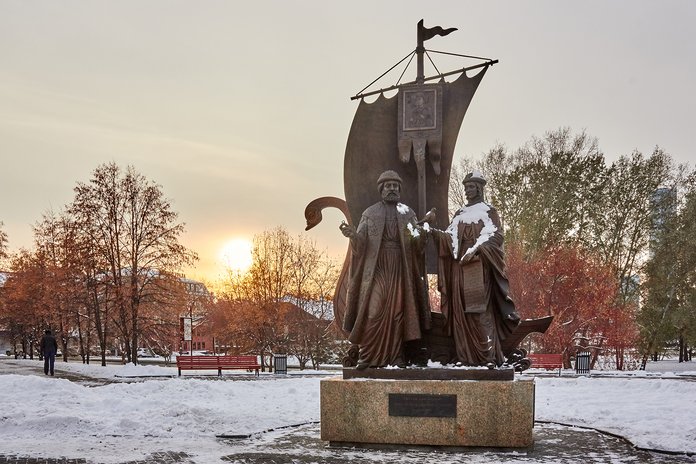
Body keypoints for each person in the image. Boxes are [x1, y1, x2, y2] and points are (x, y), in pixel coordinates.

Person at [340, 170, 430, 368]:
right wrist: (353, 235)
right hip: (377, 268)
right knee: (373, 310)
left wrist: (424, 231)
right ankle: (368, 355)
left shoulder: (408, 213)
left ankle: (396, 357)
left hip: (400, 268)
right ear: (381, 190)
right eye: (388, 186)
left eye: (395, 186)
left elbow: (417, 243)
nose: (392, 189)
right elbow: (361, 244)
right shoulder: (370, 213)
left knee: (398, 312)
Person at [431, 171, 520, 367]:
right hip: (459, 269)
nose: (467, 190)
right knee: (460, 312)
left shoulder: (488, 211)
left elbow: (496, 236)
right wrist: (432, 231)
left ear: (479, 188)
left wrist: (478, 249)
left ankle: (487, 356)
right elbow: (449, 239)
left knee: (480, 312)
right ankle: (464, 356)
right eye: (466, 187)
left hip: (478, 269)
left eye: (471, 187)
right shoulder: (460, 213)